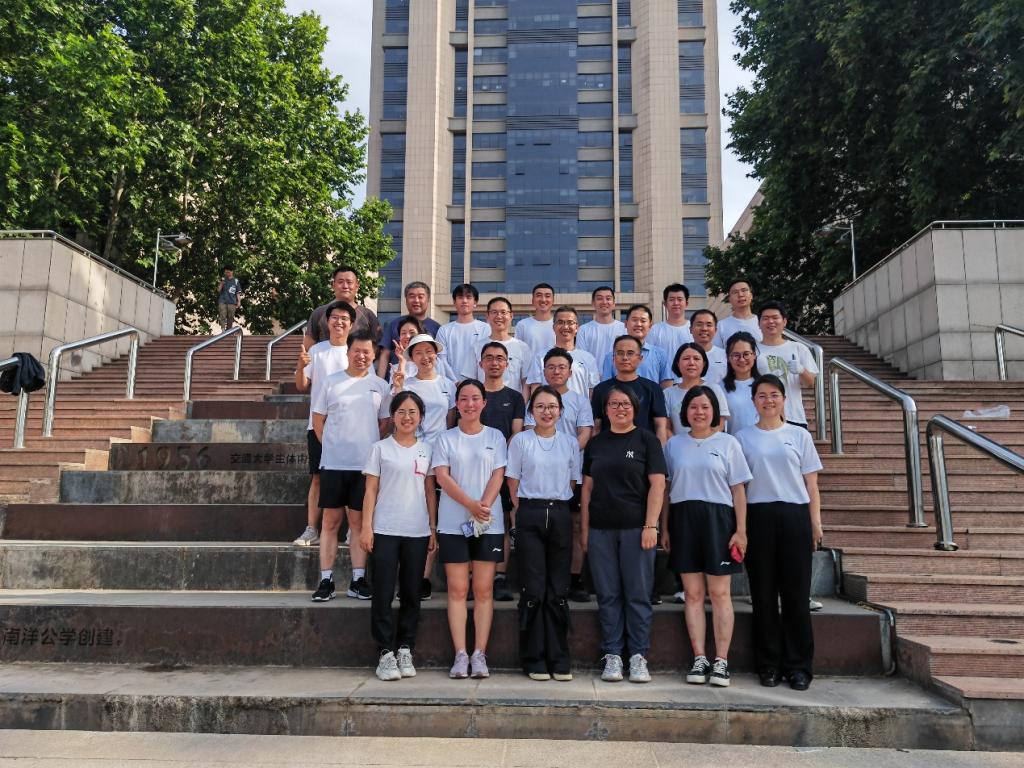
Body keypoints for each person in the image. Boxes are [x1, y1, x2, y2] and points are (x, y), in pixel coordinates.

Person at [736, 374, 823, 691]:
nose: (768, 400)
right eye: (762, 395)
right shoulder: (742, 437)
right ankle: (768, 664)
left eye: (774, 395)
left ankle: (799, 666)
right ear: (754, 401)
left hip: (794, 515)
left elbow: (811, 485)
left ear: (784, 399)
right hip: (758, 516)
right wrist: (741, 529)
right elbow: (739, 488)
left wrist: (815, 522)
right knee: (763, 595)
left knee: (796, 595)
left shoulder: (799, 435)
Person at [662, 386, 751, 688]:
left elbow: (738, 490)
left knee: (720, 593)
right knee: (693, 593)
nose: (699, 412)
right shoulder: (674, 445)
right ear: (684, 411)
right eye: (693, 407)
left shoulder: (728, 443)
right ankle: (699, 657)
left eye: (705, 407)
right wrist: (664, 527)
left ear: (714, 411)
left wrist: (741, 530)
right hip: (683, 519)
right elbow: (666, 490)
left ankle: (721, 661)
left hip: (719, 520)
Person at [582, 386, 667, 684]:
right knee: (608, 595)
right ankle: (613, 654)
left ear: (635, 409)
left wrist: (651, 525)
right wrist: (584, 531)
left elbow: (658, 485)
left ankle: (638, 656)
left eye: (625, 404)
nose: (620, 409)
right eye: (614, 404)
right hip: (601, 530)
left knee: (637, 594)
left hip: (636, 530)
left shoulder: (647, 440)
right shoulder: (596, 444)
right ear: (605, 410)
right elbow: (587, 489)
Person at [431, 379, 508, 680]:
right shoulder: (446, 438)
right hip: (454, 523)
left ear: (484, 403)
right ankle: (461, 654)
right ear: (457, 403)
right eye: (464, 398)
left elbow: (498, 474)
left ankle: (479, 654)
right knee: (458, 589)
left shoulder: (496, 436)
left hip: (488, 522)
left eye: (475, 398)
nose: (470, 404)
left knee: (484, 589)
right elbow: (442, 477)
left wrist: (482, 506)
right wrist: (470, 504)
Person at [361, 391, 437, 681]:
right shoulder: (380, 448)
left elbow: (429, 491)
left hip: (417, 530)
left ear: (421, 417)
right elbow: (370, 490)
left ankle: (405, 648)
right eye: (401, 412)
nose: (407, 417)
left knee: (411, 593)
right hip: (385, 529)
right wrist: (366, 526)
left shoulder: (427, 449)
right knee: (382, 592)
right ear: (392, 416)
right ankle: (384, 652)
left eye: (413, 412)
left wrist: (432, 527)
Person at [310, 330, 392, 602]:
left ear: (374, 355)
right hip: (334, 464)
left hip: (365, 468)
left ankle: (358, 579)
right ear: (348, 352)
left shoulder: (380, 385)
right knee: (330, 522)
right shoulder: (331, 382)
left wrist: (369, 446)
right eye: (357, 350)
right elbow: (318, 419)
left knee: (358, 522)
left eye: (367, 352)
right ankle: (326, 579)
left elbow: (384, 422)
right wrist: (331, 445)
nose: (362, 356)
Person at [507, 386, 581, 681]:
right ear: (531, 411)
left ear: (560, 411)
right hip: (530, 512)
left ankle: (559, 657)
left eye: (552, 406)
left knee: (557, 589)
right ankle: (534, 657)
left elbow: (572, 482)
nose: (547, 412)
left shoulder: (570, 443)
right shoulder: (521, 441)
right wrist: (525, 511)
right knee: (534, 588)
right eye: (540, 406)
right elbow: (512, 483)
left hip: (560, 513)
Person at [524, 348, 594, 603]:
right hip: (539, 476)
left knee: (574, 525)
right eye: (551, 367)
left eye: (561, 367)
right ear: (543, 372)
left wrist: (565, 455)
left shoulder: (580, 401)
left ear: (570, 372)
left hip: (572, 472)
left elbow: (585, 433)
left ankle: (574, 578)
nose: (556, 371)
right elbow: (529, 432)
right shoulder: (535, 401)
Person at [293, 300, 354, 547]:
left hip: (349, 428)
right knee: (318, 478)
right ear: (327, 322)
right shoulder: (317, 351)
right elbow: (301, 385)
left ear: (351, 324)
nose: (339, 322)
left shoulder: (356, 351)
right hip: (318, 425)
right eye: (335, 318)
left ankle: (352, 531)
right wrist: (301, 366)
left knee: (351, 477)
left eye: (344, 319)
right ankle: (311, 529)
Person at [478, 341, 526, 602]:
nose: (494, 362)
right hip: (473, 469)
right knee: (474, 519)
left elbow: (516, 434)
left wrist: (498, 462)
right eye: (489, 357)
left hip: (504, 469)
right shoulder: (472, 393)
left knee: (503, 523)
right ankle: (474, 576)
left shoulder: (515, 397)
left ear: (507, 364)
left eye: (499, 358)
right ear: (481, 363)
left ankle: (499, 576)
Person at [591, 335, 669, 443]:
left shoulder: (653, 388)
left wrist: (659, 451)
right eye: (620, 353)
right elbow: (596, 427)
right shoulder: (600, 389)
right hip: (608, 448)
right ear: (613, 358)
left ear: (640, 358)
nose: (625, 358)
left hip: (643, 449)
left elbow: (660, 426)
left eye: (630, 353)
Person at [756, 301, 819, 429]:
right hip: (761, 417)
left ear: (784, 321)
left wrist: (801, 370)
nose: (771, 321)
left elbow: (810, 383)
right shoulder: (752, 350)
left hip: (793, 416)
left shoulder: (799, 348)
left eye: (775, 317)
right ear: (759, 323)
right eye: (766, 318)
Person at [392, 334, 456, 445]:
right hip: (412, 447)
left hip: (440, 447)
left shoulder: (448, 384)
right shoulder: (405, 385)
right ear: (412, 358)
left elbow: (450, 420)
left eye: (429, 351)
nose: (425, 357)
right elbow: (398, 418)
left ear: (436, 354)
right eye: (418, 353)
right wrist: (398, 388)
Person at [525, 306, 600, 398]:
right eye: (560, 322)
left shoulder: (588, 358)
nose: (565, 327)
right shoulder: (540, 357)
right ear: (554, 327)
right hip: (550, 407)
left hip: (579, 407)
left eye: (570, 322)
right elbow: (535, 390)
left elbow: (592, 392)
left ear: (577, 327)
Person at [305, 265, 382, 349]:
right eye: (340, 282)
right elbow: (308, 347)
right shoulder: (319, 313)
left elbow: (377, 347)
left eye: (349, 282)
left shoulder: (368, 315)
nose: (345, 286)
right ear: (333, 285)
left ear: (357, 286)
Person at [663, 343, 730, 436]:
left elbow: (720, 423)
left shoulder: (714, 389)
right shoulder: (668, 393)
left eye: (696, 358)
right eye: (686, 358)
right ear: (677, 363)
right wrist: (679, 443)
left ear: (704, 364)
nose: (691, 363)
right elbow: (666, 427)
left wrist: (702, 442)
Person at [599, 305, 673, 387]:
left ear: (650, 326)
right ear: (626, 324)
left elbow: (667, 387)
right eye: (634, 320)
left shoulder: (660, 354)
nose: (638, 324)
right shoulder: (611, 357)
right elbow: (607, 387)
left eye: (643, 321)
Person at [377, 282, 439, 378]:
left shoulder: (437, 328)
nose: (416, 300)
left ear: (428, 300)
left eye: (420, 297)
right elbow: (385, 355)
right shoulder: (393, 324)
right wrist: (380, 381)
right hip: (397, 378)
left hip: (426, 380)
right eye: (412, 296)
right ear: (406, 300)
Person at [476, 297, 532, 397]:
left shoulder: (522, 347)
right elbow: (471, 380)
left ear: (511, 316)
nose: (499, 316)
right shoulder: (477, 347)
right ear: (487, 316)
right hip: (483, 403)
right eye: (494, 312)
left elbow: (526, 383)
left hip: (513, 404)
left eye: (503, 312)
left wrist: (521, 405)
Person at [436, 284, 491, 381]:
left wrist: (476, 384)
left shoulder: (485, 328)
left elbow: (487, 357)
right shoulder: (444, 330)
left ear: (475, 302)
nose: (464, 301)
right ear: (454, 302)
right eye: (460, 297)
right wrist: (455, 382)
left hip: (479, 384)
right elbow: (441, 360)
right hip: (451, 384)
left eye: (468, 297)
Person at [722, 332, 762, 436]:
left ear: (754, 355)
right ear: (728, 358)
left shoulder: (765, 385)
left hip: (764, 442)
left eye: (746, 354)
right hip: (734, 443)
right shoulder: (720, 388)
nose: (742, 359)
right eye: (736, 355)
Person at [576, 285, 626, 367]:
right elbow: (581, 359)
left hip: (619, 374)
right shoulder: (583, 330)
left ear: (614, 303)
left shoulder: (624, 328)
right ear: (593, 303)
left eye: (608, 298)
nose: (604, 302)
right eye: (599, 298)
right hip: (592, 375)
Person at [647, 283, 693, 366]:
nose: (676, 303)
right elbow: (650, 358)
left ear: (686, 304)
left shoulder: (694, 329)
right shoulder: (655, 330)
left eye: (680, 299)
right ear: (665, 304)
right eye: (671, 299)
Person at [713, 279, 762, 348]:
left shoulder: (763, 322)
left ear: (751, 295)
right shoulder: (721, 326)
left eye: (744, 290)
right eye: (735, 292)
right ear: (730, 299)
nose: (740, 295)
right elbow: (717, 351)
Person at [514, 283, 556, 357]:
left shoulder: (559, 324)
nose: (543, 300)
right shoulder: (522, 325)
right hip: (529, 365)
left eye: (547, 296)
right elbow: (517, 352)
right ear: (532, 300)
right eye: (539, 295)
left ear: (553, 300)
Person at [690, 309, 729, 384]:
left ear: (715, 330)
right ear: (690, 329)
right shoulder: (683, 356)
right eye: (699, 324)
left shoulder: (725, 356)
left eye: (709, 325)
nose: (704, 329)